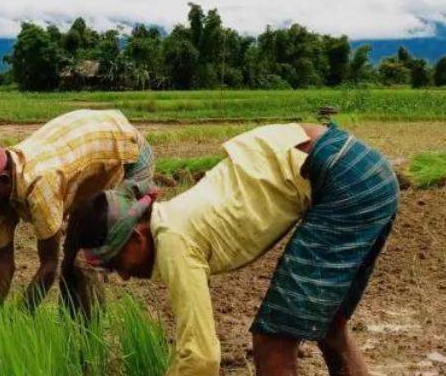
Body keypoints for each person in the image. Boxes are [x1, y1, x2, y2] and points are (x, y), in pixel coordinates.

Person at [70, 122, 399, 376]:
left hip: (341, 175)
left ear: (138, 238)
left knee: (273, 343)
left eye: (117, 264)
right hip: (364, 169)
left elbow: (201, 357)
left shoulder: (172, 238)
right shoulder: (177, 218)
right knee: (330, 325)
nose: (124, 276)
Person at [0, 109, 154, 314]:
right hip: (83, 160)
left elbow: (48, 266)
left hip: (130, 153)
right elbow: (3, 261)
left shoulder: (39, 184)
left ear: (2, 182)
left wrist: (18, 319)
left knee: (83, 260)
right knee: (70, 259)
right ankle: (72, 323)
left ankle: (91, 334)